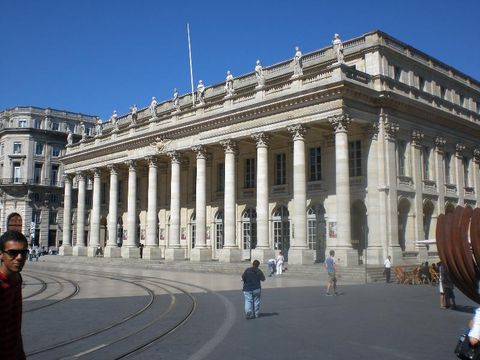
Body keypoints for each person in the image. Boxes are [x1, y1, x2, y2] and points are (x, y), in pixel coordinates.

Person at [0, 230, 28, 359]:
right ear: (1, 254)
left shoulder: (17, 278)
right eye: (12, 253)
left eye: (23, 252)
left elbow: (14, 322)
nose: (19, 257)